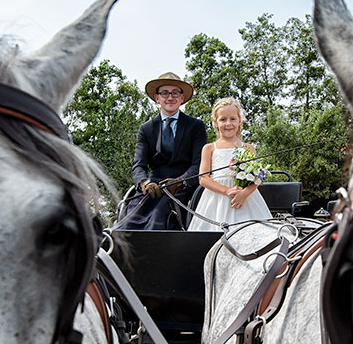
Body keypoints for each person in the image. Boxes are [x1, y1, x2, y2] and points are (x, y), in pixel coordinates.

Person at [116, 72, 208, 230]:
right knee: (127, 224)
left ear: (181, 98)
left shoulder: (196, 126)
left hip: (182, 189)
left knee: (158, 219)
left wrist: (181, 182)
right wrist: (145, 183)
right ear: (157, 98)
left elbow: (198, 164)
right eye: (165, 93)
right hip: (153, 189)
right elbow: (138, 165)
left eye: (175, 93)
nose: (170, 97)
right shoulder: (146, 129)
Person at [187, 97, 272, 232]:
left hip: (246, 199)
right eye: (223, 119)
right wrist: (227, 191)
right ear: (215, 122)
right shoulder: (209, 148)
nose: (228, 123)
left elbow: (258, 176)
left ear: (239, 121)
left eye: (233, 119)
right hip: (217, 199)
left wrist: (244, 194)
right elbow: (203, 178)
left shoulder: (248, 148)